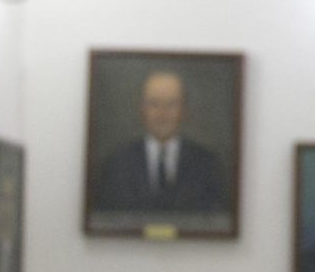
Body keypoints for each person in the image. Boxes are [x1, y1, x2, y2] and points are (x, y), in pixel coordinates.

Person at [93, 70, 227, 214]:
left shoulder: (207, 164)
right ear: (142, 110)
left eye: (171, 104)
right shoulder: (117, 163)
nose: (162, 113)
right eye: (154, 104)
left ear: (184, 110)